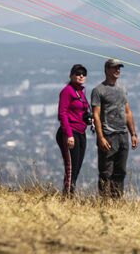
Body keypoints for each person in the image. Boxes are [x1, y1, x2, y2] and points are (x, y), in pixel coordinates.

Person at [91, 59, 139, 198]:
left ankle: (117, 201)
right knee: (106, 172)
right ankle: (105, 201)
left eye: (119, 68)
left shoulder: (123, 89)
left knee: (120, 171)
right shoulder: (98, 90)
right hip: (108, 135)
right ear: (106, 69)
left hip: (123, 134)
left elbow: (127, 112)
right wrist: (100, 137)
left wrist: (133, 134)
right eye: (114, 68)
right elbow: (96, 115)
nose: (117, 70)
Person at [56, 64, 92, 195]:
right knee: (70, 167)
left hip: (81, 132)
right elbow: (62, 113)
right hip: (70, 133)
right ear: (71, 76)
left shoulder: (81, 92)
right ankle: (67, 197)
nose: (81, 76)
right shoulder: (67, 91)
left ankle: (71, 193)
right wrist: (69, 134)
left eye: (84, 73)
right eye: (78, 73)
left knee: (77, 167)